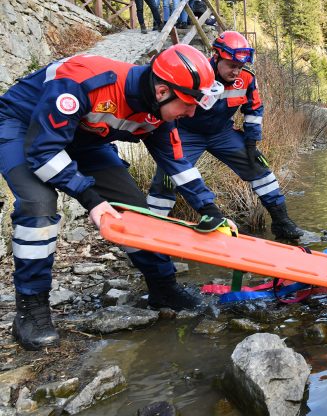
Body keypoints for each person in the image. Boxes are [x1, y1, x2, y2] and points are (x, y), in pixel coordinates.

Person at [0, 44, 231, 351]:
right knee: (38, 205)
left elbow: (177, 163)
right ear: (162, 90)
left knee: (135, 212)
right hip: (23, 126)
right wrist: (91, 199)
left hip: (87, 139)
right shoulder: (85, 81)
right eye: (188, 105)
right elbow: (43, 152)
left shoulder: (159, 111)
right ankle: (31, 309)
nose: (191, 113)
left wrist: (208, 206)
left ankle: (163, 287)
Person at [146, 32, 303, 240]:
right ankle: (149, 231)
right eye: (231, 65)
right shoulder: (197, 74)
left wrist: (251, 141)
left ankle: (282, 221)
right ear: (217, 57)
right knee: (166, 177)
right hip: (187, 132)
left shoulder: (246, 79)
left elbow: (254, 108)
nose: (236, 71)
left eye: (240, 66)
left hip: (222, 133)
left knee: (258, 165)